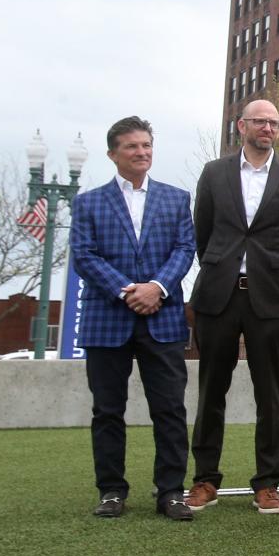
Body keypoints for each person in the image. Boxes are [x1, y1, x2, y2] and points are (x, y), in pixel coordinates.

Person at [185, 99, 279, 516]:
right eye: (260, 121)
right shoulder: (214, 173)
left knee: (269, 393)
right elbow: (203, 233)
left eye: (273, 123)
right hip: (218, 296)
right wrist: (222, 267)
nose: (268, 128)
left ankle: (268, 483)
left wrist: (270, 271)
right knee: (210, 391)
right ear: (242, 126)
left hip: (268, 297)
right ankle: (204, 480)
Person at [70, 116, 196, 521]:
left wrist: (156, 287)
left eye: (146, 145)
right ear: (113, 154)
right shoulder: (88, 203)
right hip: (108, 319)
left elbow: (184, 249)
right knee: (107, 410)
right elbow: (84, 256)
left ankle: (172, 492)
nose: (141, 152)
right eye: (131, 147)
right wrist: (129, 290)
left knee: (170, 409)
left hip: (163, 318)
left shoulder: (176, 198)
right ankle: (111, 491)